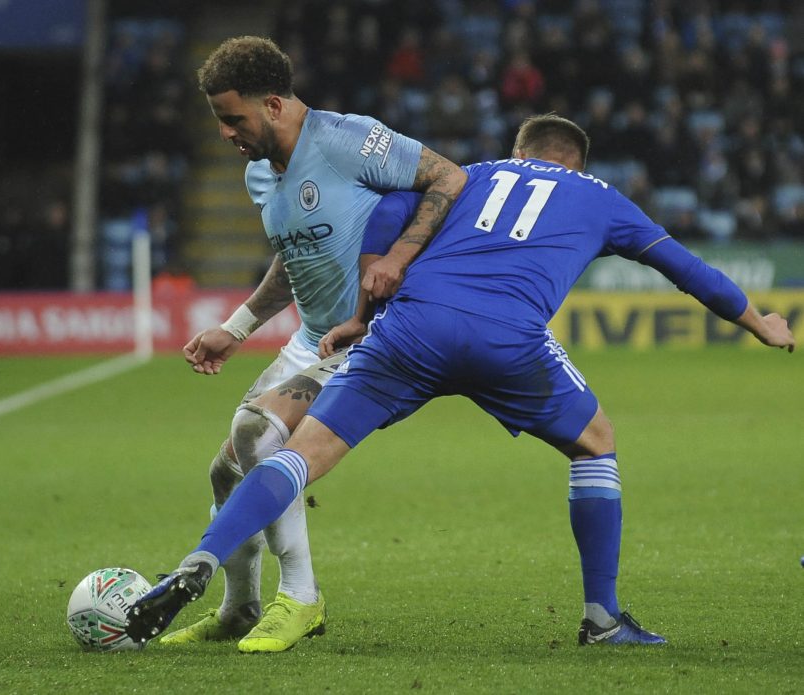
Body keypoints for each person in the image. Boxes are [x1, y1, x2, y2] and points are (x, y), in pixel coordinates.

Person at [127, 114, 794, 646]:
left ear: (519, 150)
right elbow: (685, 268)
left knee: (300, 454)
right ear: (574, 163)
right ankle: (602, 616)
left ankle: (203, 559)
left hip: (411, 328)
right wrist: (756, 321)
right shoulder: (598, 197)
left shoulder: (466, 175)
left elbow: (387, 223)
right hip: (508, 338)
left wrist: (363, 315)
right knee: (594, 440)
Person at [153, 36, 467, 653]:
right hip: (310, 340)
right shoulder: (259, 175)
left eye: (232, 118)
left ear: (273, 105)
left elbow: (448, 177)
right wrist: (237, 328)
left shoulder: (346, 139)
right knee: (225, 472)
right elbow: (294, 256)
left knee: (256, 435)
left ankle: (299, 598)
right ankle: (240, 608)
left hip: (372, 336)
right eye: (218, 121)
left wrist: (399, 258)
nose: (225, 133)